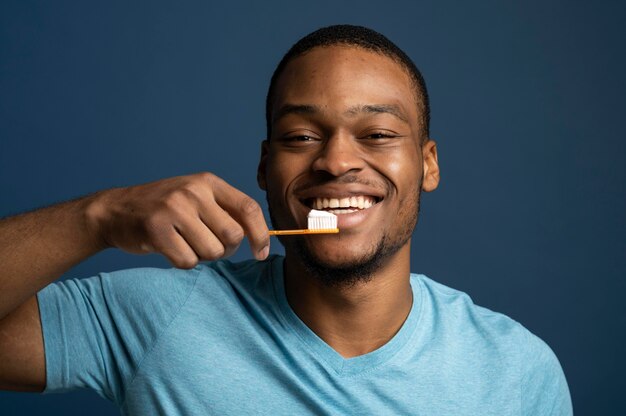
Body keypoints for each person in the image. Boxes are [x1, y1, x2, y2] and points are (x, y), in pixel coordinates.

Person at [0, 25, 572, 415]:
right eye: (301, 136)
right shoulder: (159, 317)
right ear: (265, 166)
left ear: (427, 164)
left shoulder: (517, 371)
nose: (336, 161)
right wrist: (99, 217)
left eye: (376, 134)